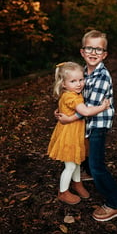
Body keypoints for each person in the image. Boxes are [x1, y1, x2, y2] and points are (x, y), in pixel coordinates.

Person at [56, 30, 117, 221]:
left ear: (104, 55)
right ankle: (85, 171)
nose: (93, 52)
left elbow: (88, 108)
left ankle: (115, 203)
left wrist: (69, 119)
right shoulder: (83, 72)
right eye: (89, 48)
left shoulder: (102, 76)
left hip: (97, 124)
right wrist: (63, 110)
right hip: (86, 123)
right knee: (85, 152)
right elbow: (73, 96)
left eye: (98, 49)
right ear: (82, 51)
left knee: (98, 166)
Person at [47, 61, 109, 205]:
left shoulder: (71, 93)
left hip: (75, 133)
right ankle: (63, 192)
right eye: (73, 81)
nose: (79, 84)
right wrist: (102, 107)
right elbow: (86, 111)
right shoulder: (71, 97)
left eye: (81, 79)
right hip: (69, 135)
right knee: (70, 166)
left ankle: (77, 183)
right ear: (63, 84)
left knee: (76, 162)